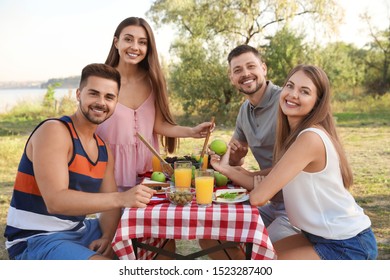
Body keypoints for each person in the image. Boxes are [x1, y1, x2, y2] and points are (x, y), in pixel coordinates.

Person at [211, 64, 378, 260]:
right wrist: (226, 169)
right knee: (255, 257)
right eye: (289, 86)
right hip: (318, 236)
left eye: (304, 91)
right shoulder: (296, 136)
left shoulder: (310, 138)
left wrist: (251, 181)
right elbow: (265, 181)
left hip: (347, 244)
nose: (292, 94)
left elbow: (258, 197)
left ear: (317, 103)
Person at [4, 63, 156, 260]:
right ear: (78, 94)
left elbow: (109, 204)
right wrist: (122, 197)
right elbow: (56, 202)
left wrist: (109, 236)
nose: (101, 102)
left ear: (116, 102)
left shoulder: (103, 148)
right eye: (94, 93)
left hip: (79, 231)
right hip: (36, 240)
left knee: (155, 238)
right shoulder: (55, 131)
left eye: (109, 97)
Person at [199, 45, 298, 260]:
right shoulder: (244, 110)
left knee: (258, 253)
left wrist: (236, 172)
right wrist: (230, 155)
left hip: (296, 207)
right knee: (210, 237)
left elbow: (293, 165)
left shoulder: (286, 102)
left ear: (264, 68)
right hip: (273, 202)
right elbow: (236, 158)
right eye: (237, 70)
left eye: (251, 66)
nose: (245, 74)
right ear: (232, 78)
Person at [96, 17, 213, 192]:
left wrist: (192, 131)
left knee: (148, 219)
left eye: (142, 42)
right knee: (112, 220)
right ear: (116, 42)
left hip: (149, 173)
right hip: (109, 172)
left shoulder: (153, 81)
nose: (135, 47)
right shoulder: (101, 80)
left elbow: (158, 125)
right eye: (128, 39)